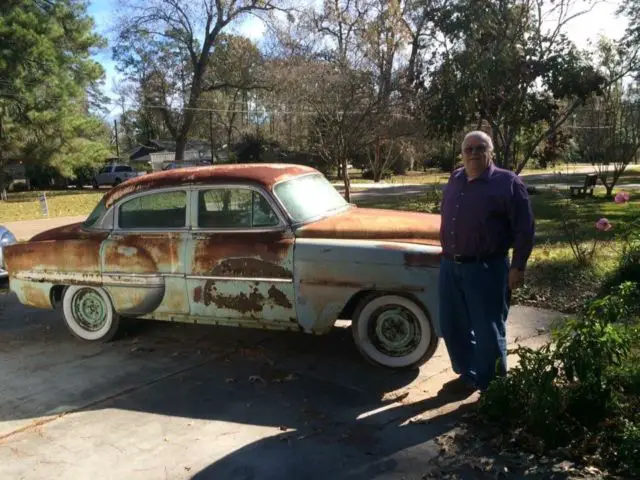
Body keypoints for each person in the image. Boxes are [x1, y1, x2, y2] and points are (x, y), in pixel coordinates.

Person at [438, 130, 535, 394]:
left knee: (487, 330)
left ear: (489, 152)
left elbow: (524, 229)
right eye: (468, 149)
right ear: (462, 153)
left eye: (480, 148)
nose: (473, 153)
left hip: (486, 268)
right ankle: (468, 374)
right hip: (450, 267)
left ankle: (494, 390)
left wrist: (518, 267)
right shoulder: (456, 178)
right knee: (452, 325)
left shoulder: (508, 183)